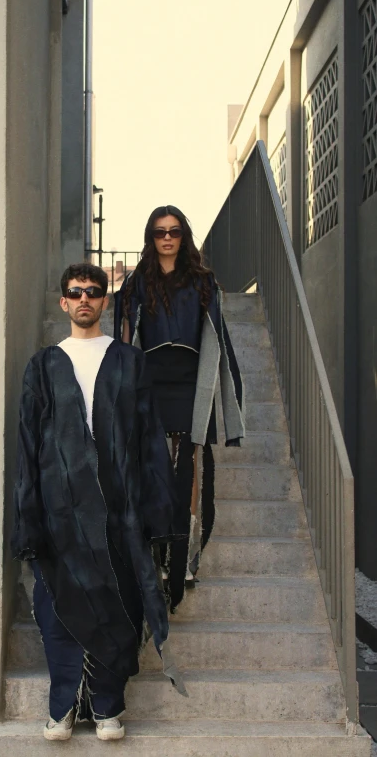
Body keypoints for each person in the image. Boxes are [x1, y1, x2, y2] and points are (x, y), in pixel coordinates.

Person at [11, 263, 186, 743]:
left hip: (119, 507)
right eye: (75, 292)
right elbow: (28, 446)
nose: (84, 298)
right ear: (63, 302)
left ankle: (107, 707)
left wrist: (159, 511)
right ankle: (63, 707)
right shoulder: (44, 364)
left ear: (105, 301)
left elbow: (150, 439)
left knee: (121, 604)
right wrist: (26, 521)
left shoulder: (130, 361)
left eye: (93, 291)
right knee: (59, 607)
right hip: (59, 508)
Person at [114, 205, 245, 613]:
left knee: (188, 467)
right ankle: (156, 551)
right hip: (151, 380)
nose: (167, 238)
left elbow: (217, 337)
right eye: (159, 232)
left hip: (190, 382)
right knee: (153, 465)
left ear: (184, 235)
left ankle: (184, 556)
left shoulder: (204, 282)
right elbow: (123, 333)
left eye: (173, 231)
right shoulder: (138, 282)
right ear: (151, 238)